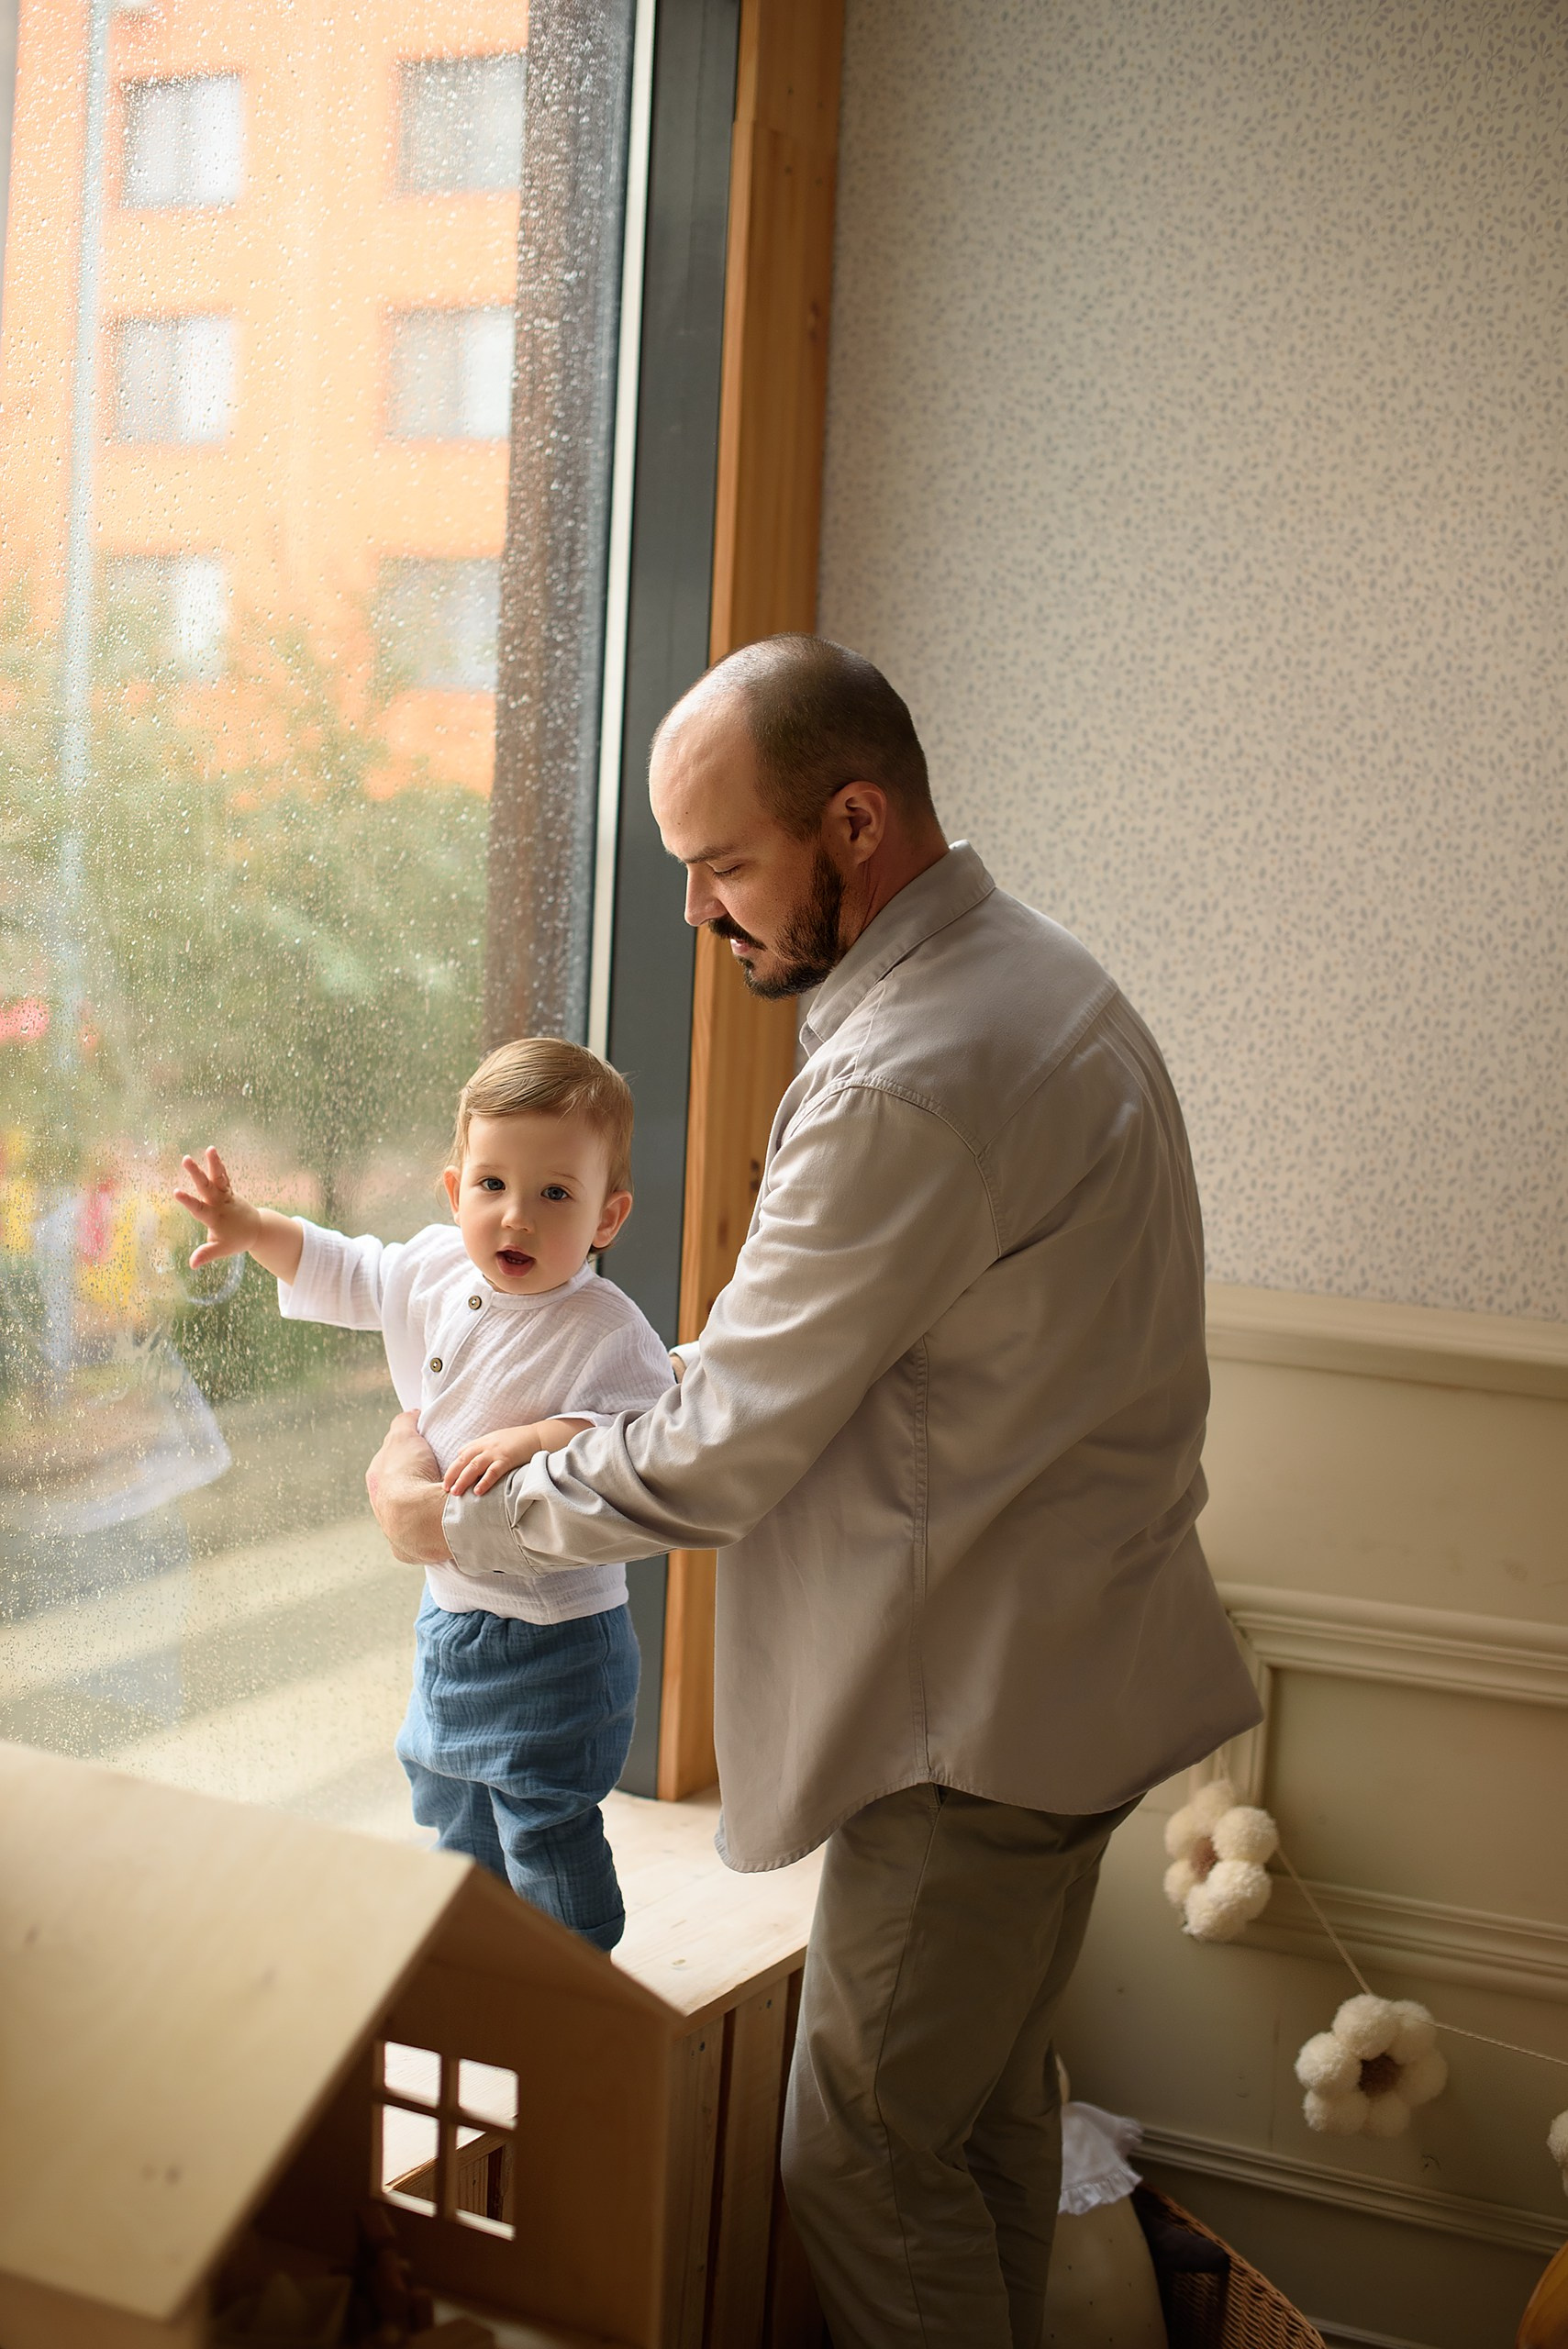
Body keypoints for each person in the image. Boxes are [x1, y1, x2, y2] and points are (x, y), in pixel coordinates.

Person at [366, 637, 1263, 2349]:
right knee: (979, 2127)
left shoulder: (899, 1077)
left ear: (852, 825)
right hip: (1074, 1670)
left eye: (720, 867)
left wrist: (451, 1520)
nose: (699, 918)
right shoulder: (1040, 979)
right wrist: (570, 1440)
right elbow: (892, 1373)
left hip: (967, 1725)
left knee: (856, 2163)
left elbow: (719, 1452)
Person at [173, 1037, 673, 1954]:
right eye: (492, 1186)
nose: (515, 1217)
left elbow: (647, 1438)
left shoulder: (604, 1329)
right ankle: (478, 1959)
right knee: (451, 1804)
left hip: (558, 1642)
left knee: (541, 1820)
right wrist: (251, 1228)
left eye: (554, 1194)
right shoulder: (438, 1270)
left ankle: (580, 1982)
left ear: (608, 1215)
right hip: (452, 1617)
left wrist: (539, 1436)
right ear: (454, 1193)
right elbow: (346, 1267)